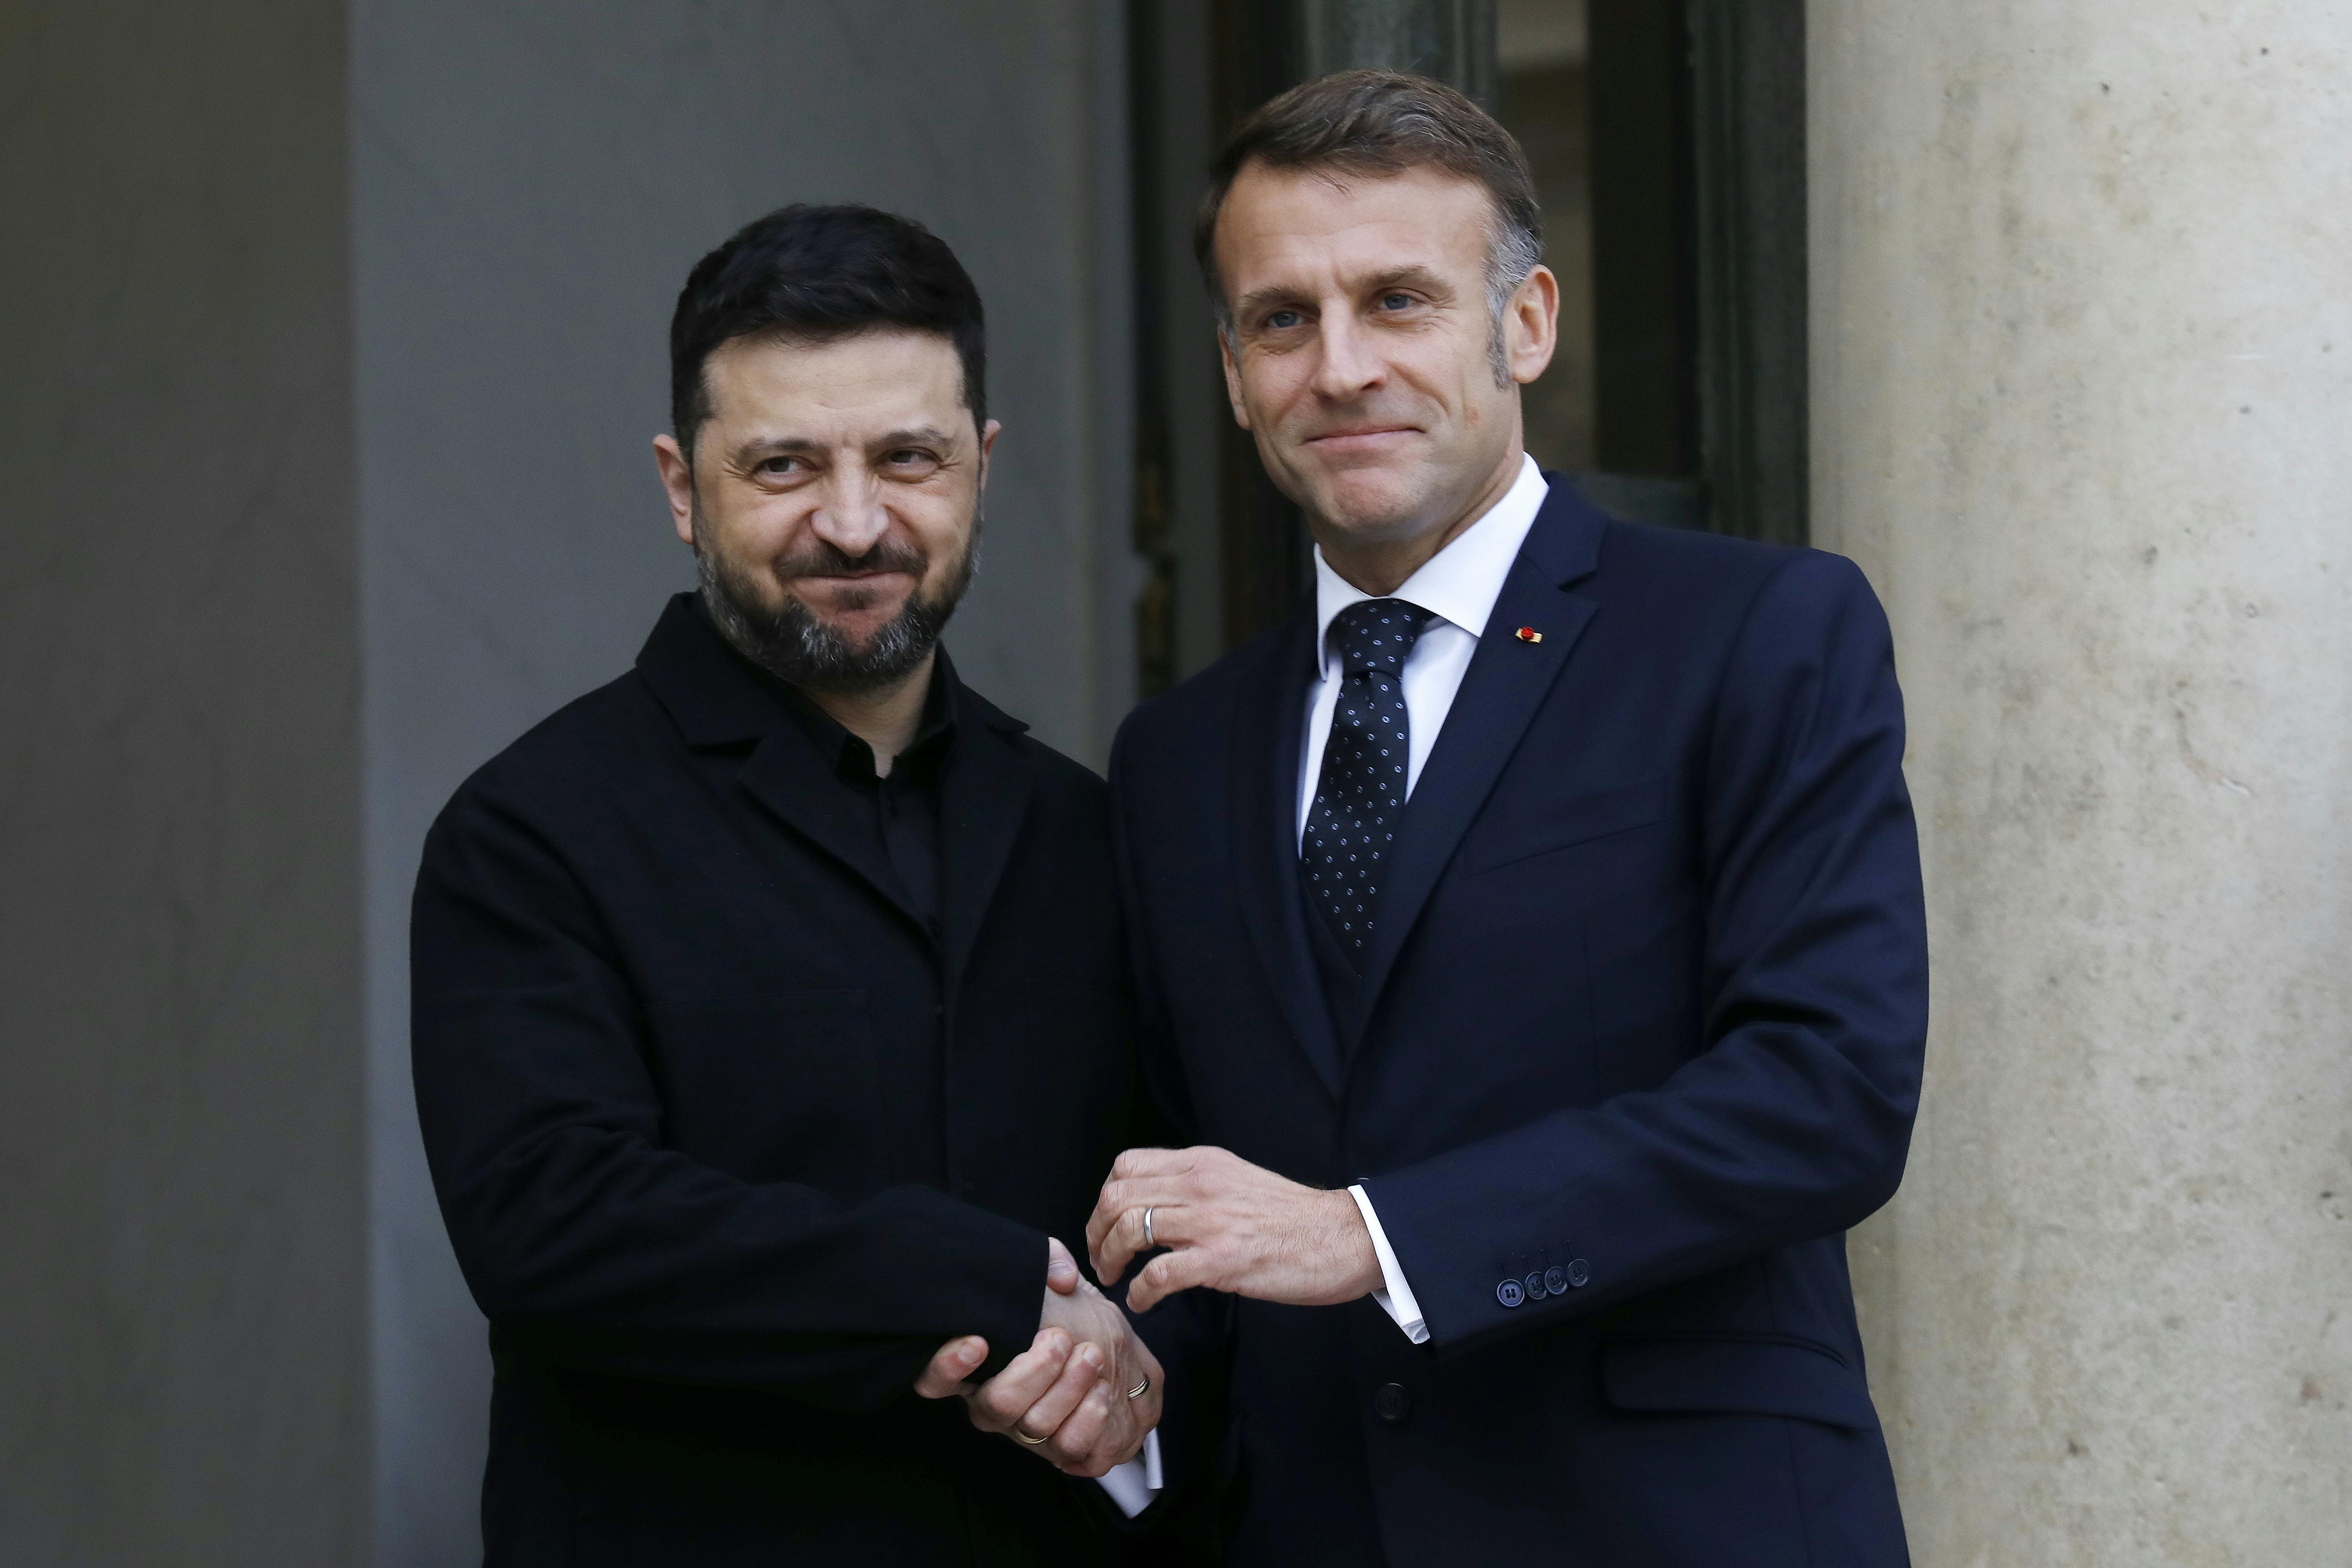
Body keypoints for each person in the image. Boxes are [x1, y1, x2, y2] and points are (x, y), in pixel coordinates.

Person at [1058, 71, 1927, 1564]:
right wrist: (1116, 1396)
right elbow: (1193, 1189)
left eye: (1396, 300)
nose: (1338, 367)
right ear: (1230, 370)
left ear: (1523, 324)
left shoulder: (1755, 632)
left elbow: (1824, 1092)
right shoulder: (1175, 758)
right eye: (1281, 318)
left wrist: (1378, 1237)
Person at [409, 203, 1171, 1566]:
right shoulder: (533, 831)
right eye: (782, 465)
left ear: (981, 469)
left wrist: (1142, 1372)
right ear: (679, 486)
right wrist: (983, 1284)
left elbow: (1178, 1207)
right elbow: (559, 1229)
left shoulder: (1084, 828)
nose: (855, 520)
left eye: (908, 457)